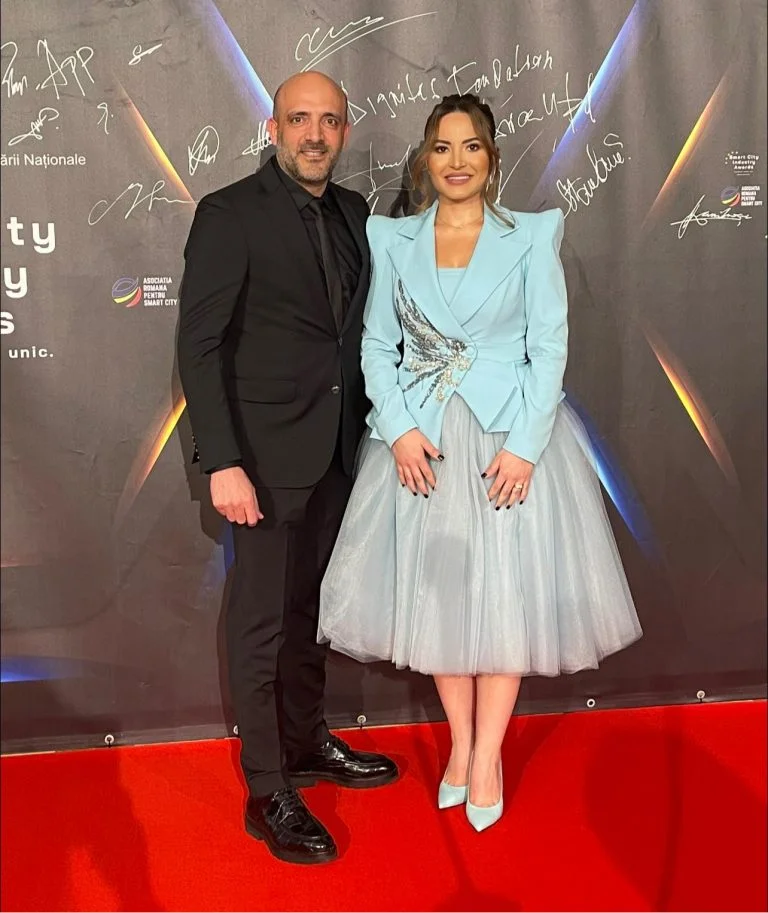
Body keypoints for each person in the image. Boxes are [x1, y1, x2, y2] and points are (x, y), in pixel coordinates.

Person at [318, 94, 642, 832]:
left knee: (505, 597)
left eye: (471, 147)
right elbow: (377, 346)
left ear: (492, 159)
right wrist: (398, 429)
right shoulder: (393, 238)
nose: (457, 161)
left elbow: (549, 348)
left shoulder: (532, 234)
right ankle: (461, 746)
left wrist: (525, 447)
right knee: (440, 593)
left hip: (508, 439)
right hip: (423, 444)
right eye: (443, 147)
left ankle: (489, 754)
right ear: (426, 159)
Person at [177, 71, 398, 866]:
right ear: (273, 128)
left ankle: (306, 741)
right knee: (262, 625)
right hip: (262, 463)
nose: (314, 134)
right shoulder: (229, 213)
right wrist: (223, 461)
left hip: (337, 452)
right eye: (299, 119)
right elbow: (199, 346)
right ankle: (267, 787)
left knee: (310, 611)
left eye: (328, 121)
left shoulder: (356, 213)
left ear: (345, 130)